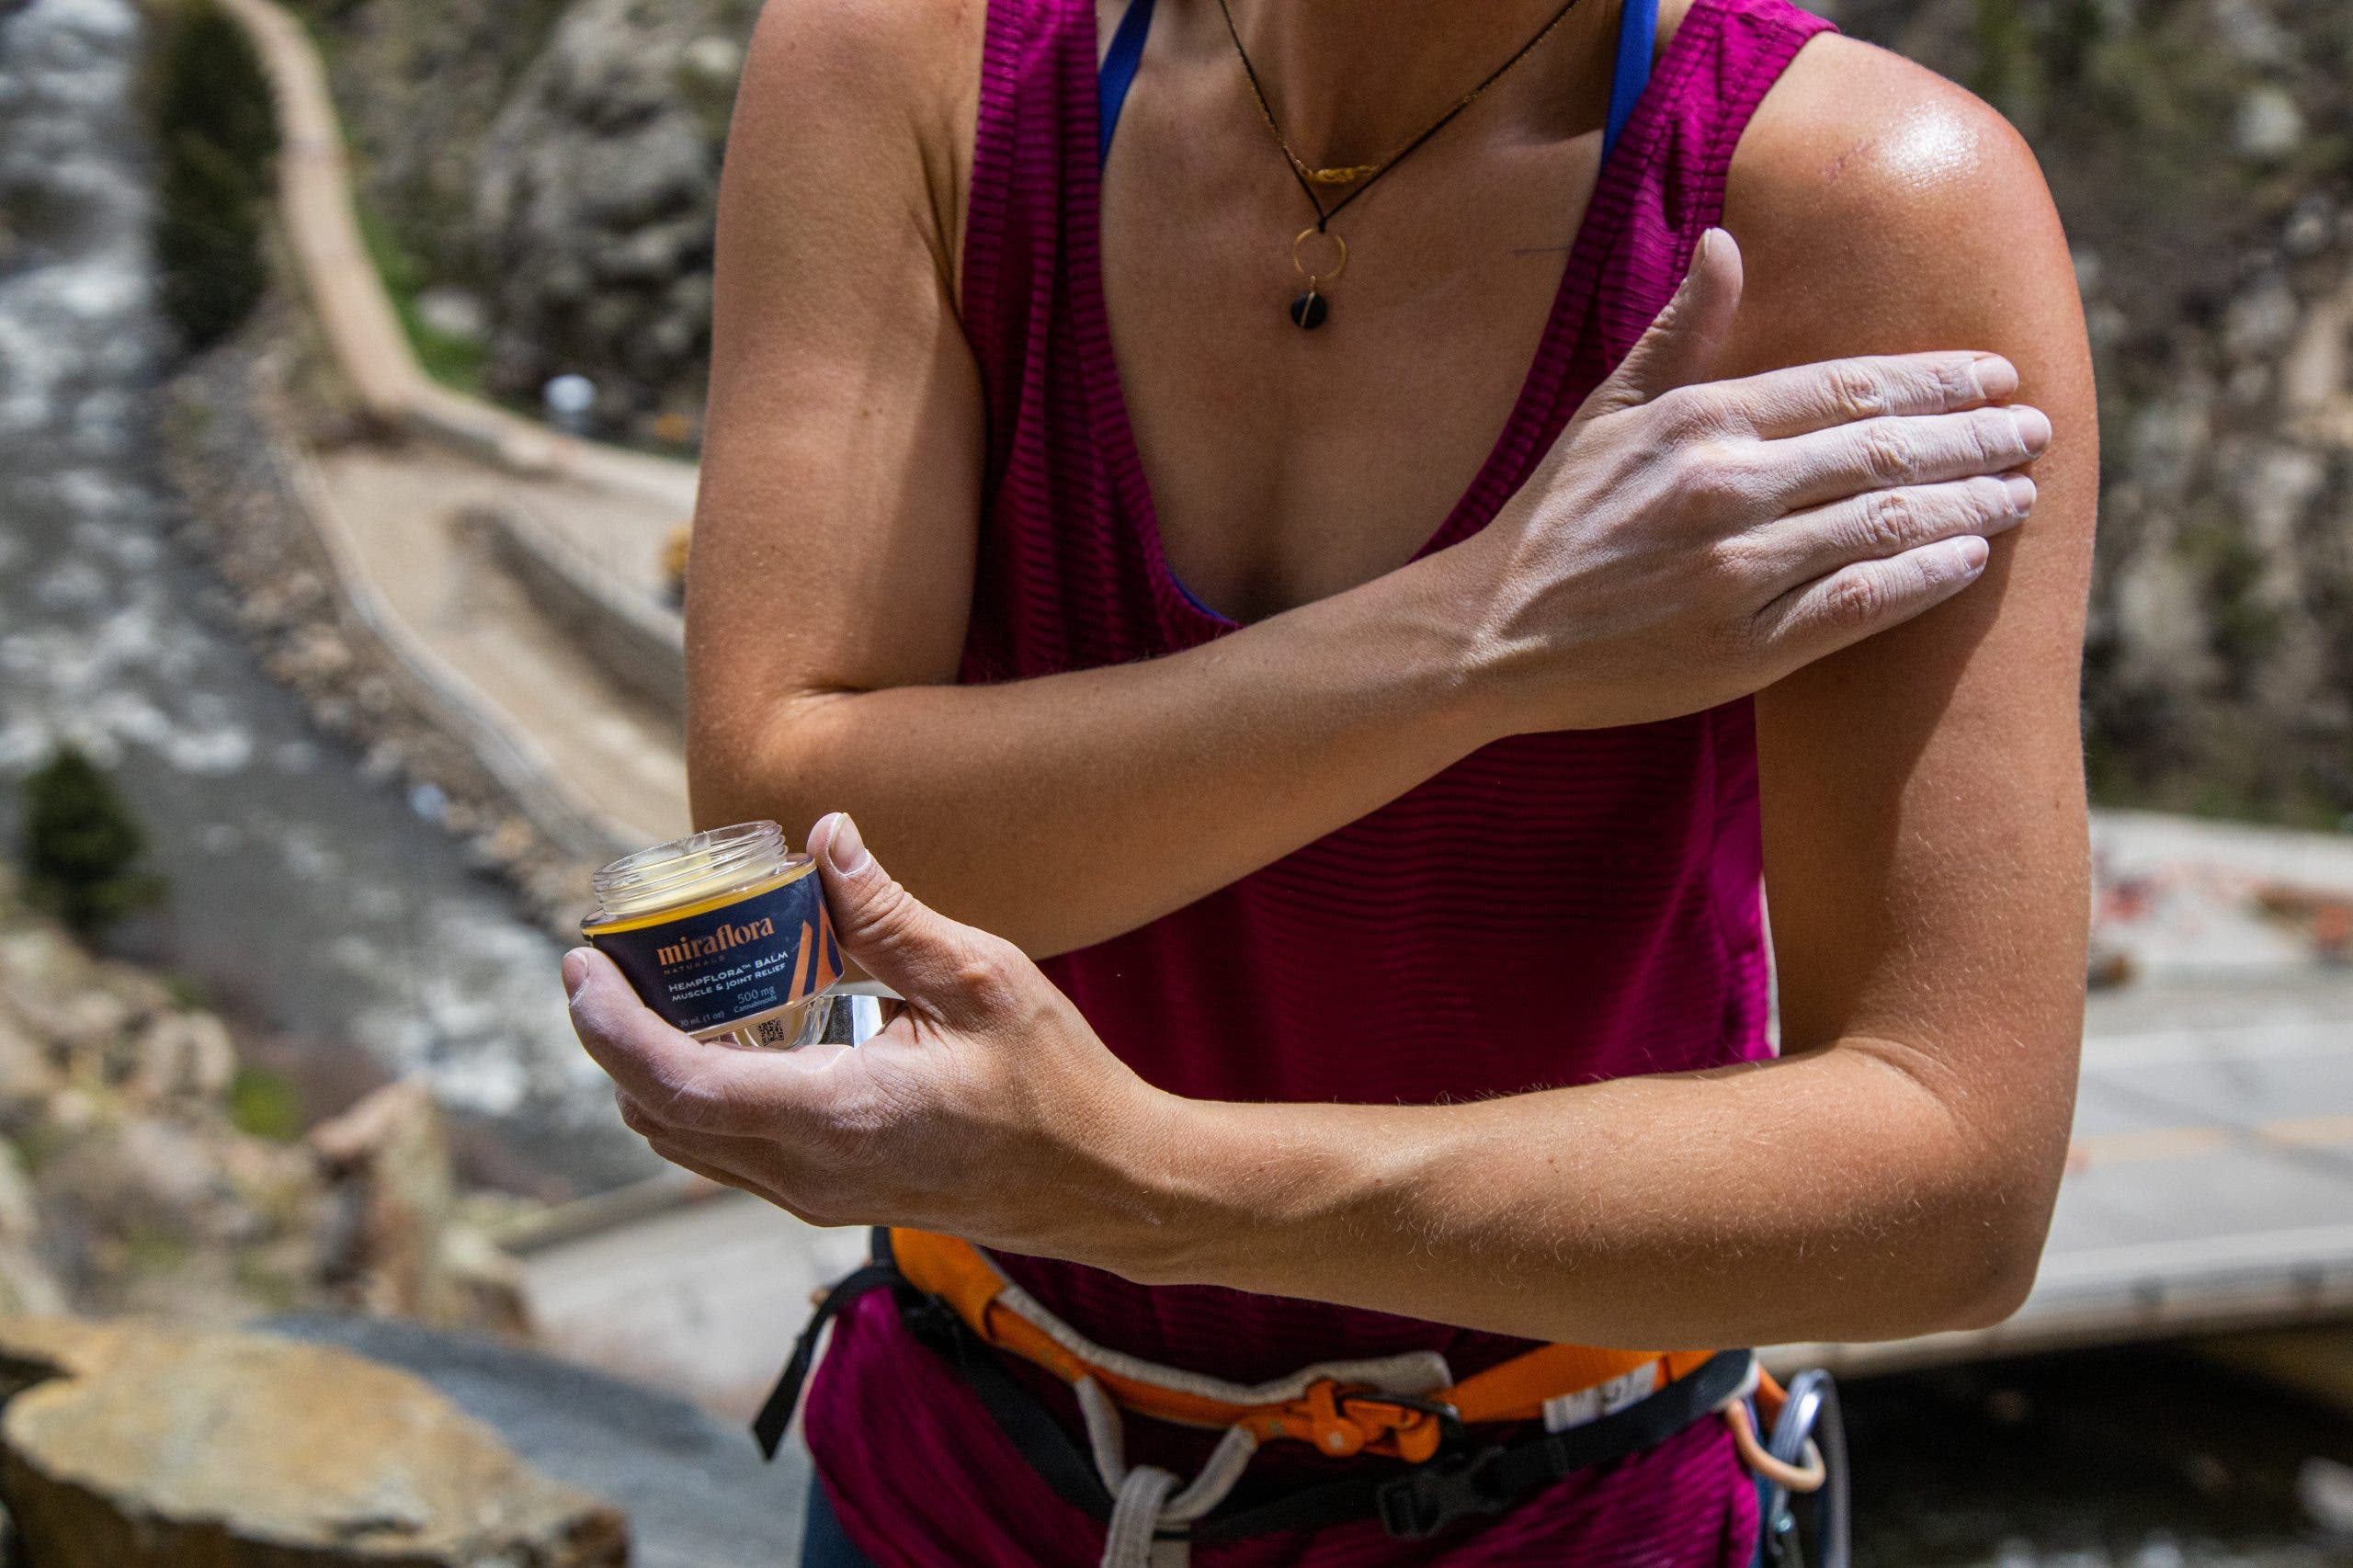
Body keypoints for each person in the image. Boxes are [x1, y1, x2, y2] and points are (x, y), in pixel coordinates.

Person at [563, 0, 2096, 1560]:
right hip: (956, 1472)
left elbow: (1952, 1184)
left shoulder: (1864, 203)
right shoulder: (911, 63)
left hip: (1541, 1516)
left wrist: (1149, 1182)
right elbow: (791, 822)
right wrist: (1485, 634)